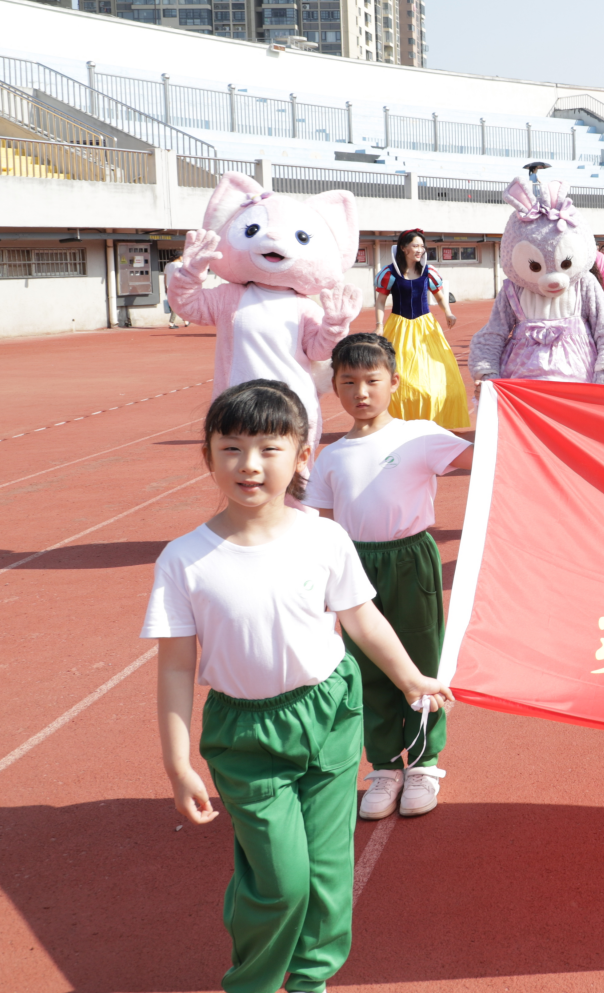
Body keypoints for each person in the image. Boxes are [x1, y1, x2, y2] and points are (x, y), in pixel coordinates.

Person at [144, 380, 451, 993]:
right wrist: (177, 764)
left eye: (269, 448)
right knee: (281, 880)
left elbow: (362, 617)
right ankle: (254, 982)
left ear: (303, 456)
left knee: (328, 872)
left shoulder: (324, 538)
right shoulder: (184, 560)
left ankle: (311, 981)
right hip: (246, 733)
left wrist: (409, 676)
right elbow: (176, 667)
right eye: (232, 448)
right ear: (208, 457)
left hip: (331, 713)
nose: (250, 464)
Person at [307, 334, 473, 821]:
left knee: (421, 657)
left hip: (411, 559)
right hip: (354, 566)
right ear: (335, 387)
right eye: (348, 382)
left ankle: (423, 763)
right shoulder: (331, 457)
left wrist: (509, 414)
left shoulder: (419, 436)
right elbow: (323, 525)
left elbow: (481, 458)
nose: (361, 392)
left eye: (372, 381)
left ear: (394, 382)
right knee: (367, 666)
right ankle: (383, 766)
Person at [373, 229, 471, 429]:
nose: (420, 250)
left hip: (426, 328)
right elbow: (380, 301)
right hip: (399, 327)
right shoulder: (389, 273)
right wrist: (379, 325)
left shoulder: (429, 272)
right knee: (399, 373)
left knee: (433, 371)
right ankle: (398, 421)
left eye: (422, 246)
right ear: (403, 248)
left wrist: (448, 313)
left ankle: (432, 419)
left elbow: (440, 297)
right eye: (415, 246)